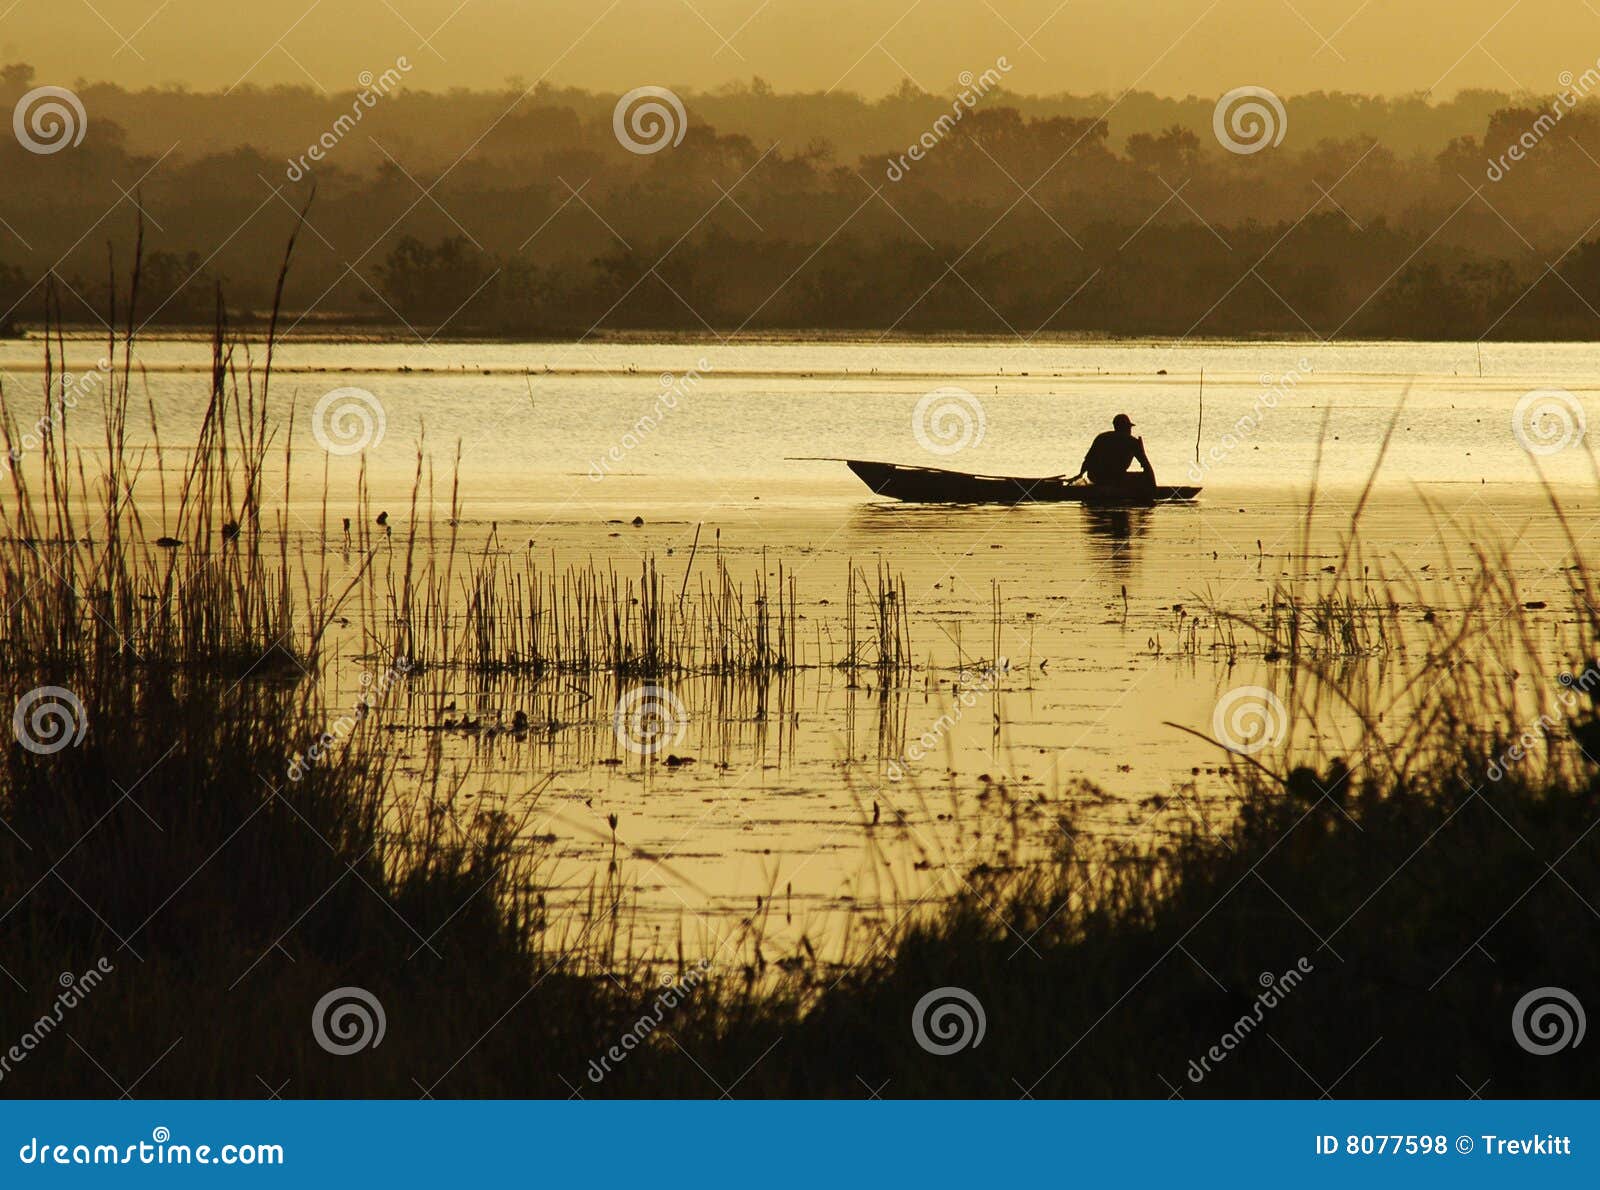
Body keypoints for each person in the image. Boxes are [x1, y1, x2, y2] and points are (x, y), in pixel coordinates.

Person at [1068, 413, 1156, 489]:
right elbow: (1146, 465)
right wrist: (1152, 485)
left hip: (1095, 477)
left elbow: (1088, 460)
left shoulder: (1102, 438)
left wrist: (1080, 474)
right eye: (1128, 427)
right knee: (1143, 478)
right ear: (1124, 428)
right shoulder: (1132, 442)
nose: (1130, 430)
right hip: (1115, 477)